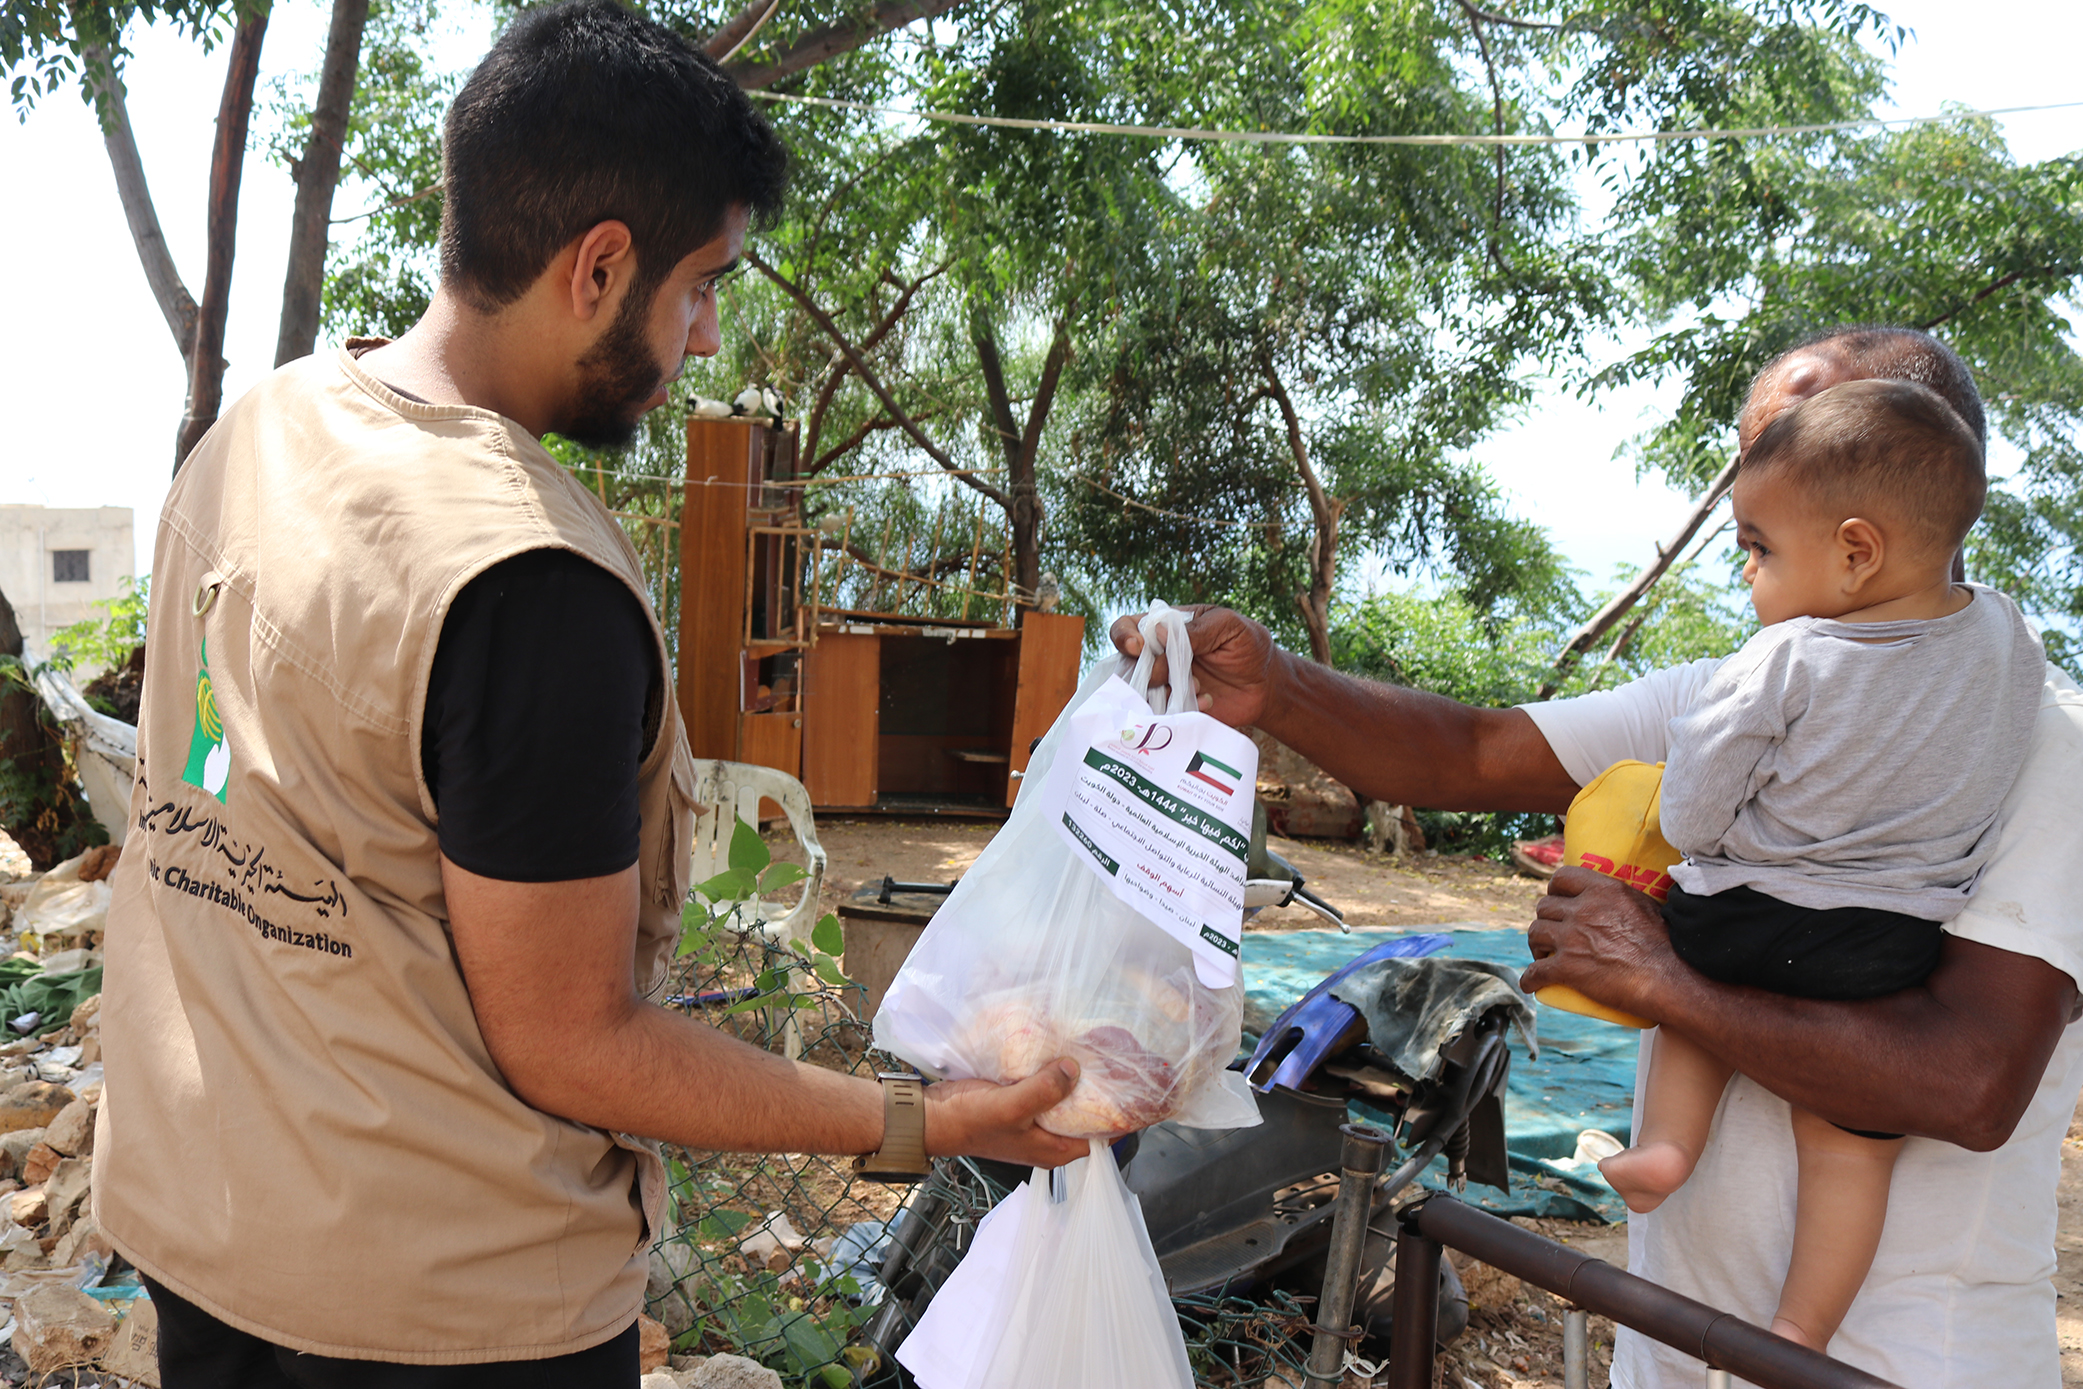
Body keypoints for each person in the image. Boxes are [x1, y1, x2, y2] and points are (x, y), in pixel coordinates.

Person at [96, 4, 1089, 1384]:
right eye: (699, 285)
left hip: (205, 1230)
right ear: (599, 265)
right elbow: (576, 1043)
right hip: (440, 1316)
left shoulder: (264, 429)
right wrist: (919, 1119)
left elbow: (211, 800)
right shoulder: (528, 585)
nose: (707, 335)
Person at [1112, 326, 2083, 1387]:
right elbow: (1473, 751)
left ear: (1875, 518)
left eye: (1788, 468)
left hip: (1901, 1365)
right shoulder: (1761, 677)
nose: (1746, 543)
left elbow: (1968, 1080)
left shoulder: (2048, 740)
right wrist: (1276, 686)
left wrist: (1660, 973)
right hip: (1679, 1340)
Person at [1596, 378, 2044, 1354]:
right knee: (1849, 1152)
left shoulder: (1785, 654)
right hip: (1887, 943)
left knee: (1694, 1005)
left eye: (1757, 548)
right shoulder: (2007, 639)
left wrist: (1693, 834)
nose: (1747, 573)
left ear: (1854, 552)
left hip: (1745, 907)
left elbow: (1693, 810)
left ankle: (1666, 1148)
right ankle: (1799, 1333)